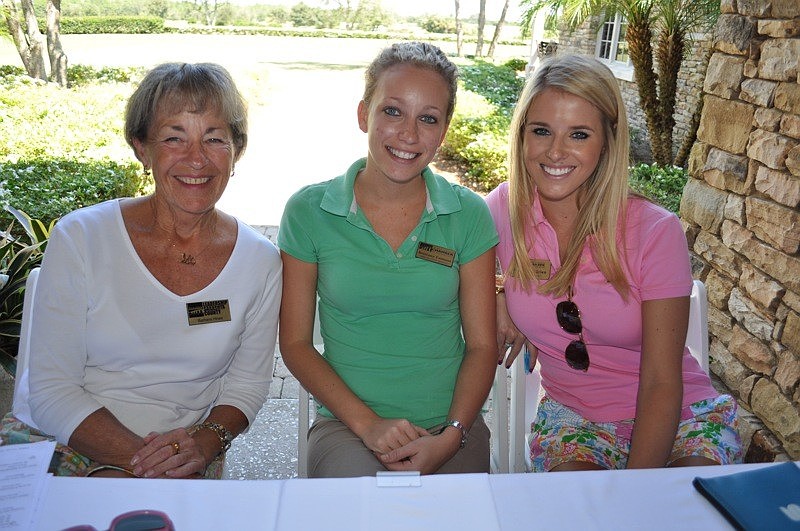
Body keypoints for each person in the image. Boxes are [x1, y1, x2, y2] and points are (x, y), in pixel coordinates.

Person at [0, 62, 282, 479]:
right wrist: (146, 461)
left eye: (214, 138)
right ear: (142, 148)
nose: (197, 159)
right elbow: (51, 390)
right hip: (61, 435)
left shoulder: (260, 262)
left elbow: (246, 385)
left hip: (185, 447)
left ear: (236, 151)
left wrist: (204, 444)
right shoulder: (81, 238)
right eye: (174, 138)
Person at [486, 54, 742, 472]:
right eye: (541, 131)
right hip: (575, 418)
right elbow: (436, 254)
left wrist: (638, 490)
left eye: (579, 135)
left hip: (677, 413)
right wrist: (497, 291)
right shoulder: (501, 209)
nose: (555, 151)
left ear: (608, 140)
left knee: (684, 502)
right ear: (521, 135)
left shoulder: (655, 231)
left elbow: (662, 381)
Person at [278, 42, 498, 477]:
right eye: (393, 112)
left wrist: (451, 435)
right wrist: (369, 426)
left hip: (452, 427)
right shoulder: (309, 211)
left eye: (428, 119)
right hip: (348, 428)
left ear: (444, 128)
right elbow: (296, 344)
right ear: (364, 114)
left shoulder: (468, 214)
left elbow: (482, 346)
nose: (409, 135)